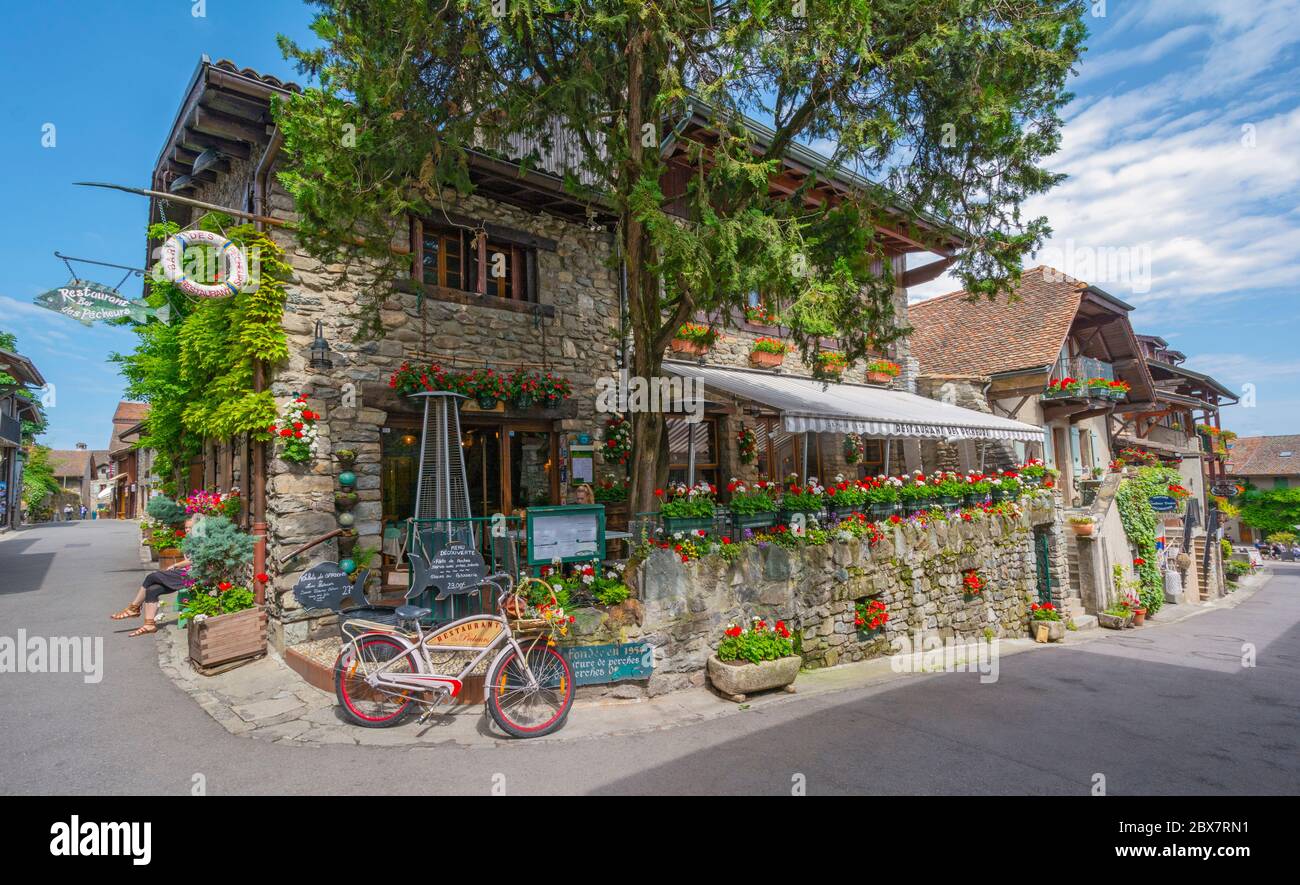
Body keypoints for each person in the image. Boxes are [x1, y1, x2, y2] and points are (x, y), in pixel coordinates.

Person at [110, 517, 194, 637]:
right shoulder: (188, 541)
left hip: (191, 576)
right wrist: (178, 566)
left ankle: (134, 608)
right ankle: (149, 624)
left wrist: (176, 565)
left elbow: (193, 561)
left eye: (190, 528)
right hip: (183, 573)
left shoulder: (200, 541)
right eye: (186, 527)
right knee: (152, 590)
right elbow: (188, 561)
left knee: (151, 577)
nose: (187, 530)